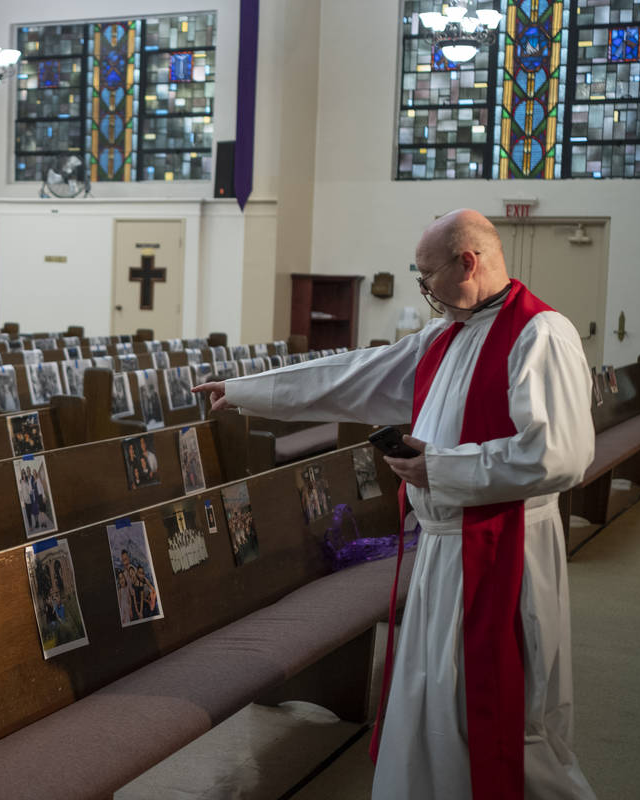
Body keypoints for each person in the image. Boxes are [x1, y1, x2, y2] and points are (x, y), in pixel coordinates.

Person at [193, 208, 595, 800]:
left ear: (468, 261)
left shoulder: (540, 333)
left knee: (503, 719)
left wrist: (438, 466)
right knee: (432, 708)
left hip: (501, 552)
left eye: (427, 276)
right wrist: (248, 390)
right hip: (443, 555)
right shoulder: (447, 334)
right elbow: (356, 376)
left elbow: (560, 454)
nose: (424, 291)